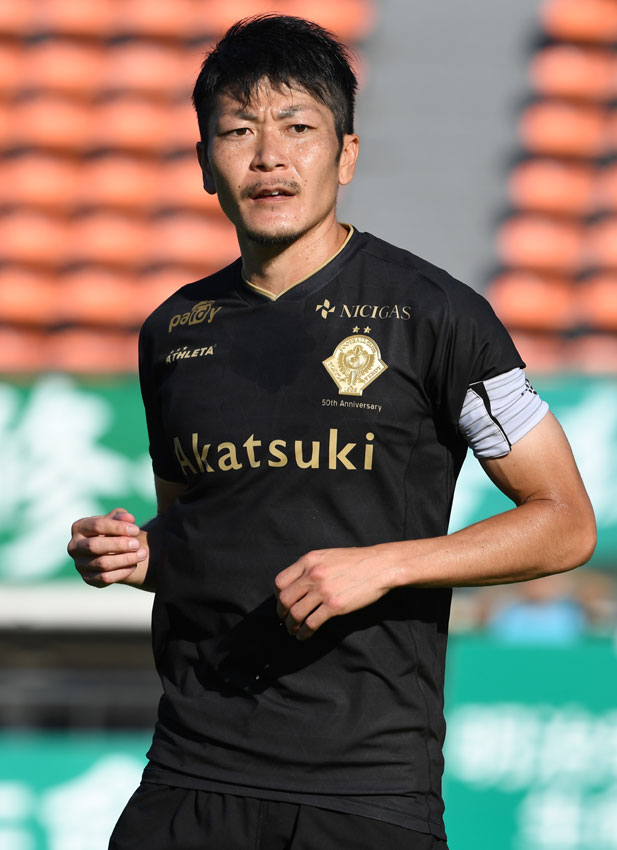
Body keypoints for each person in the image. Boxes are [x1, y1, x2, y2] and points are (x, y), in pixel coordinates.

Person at [67, 14, 596, 850]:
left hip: (364, 791)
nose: (267, 157)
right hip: (190, 776)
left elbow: (564, 522)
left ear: (345, 155)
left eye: (297, 128)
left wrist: (384, 565)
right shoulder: (173, 332)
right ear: (204, 162)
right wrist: (135, 555)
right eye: (237, 132)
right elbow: (196, 536)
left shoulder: (438, 316)